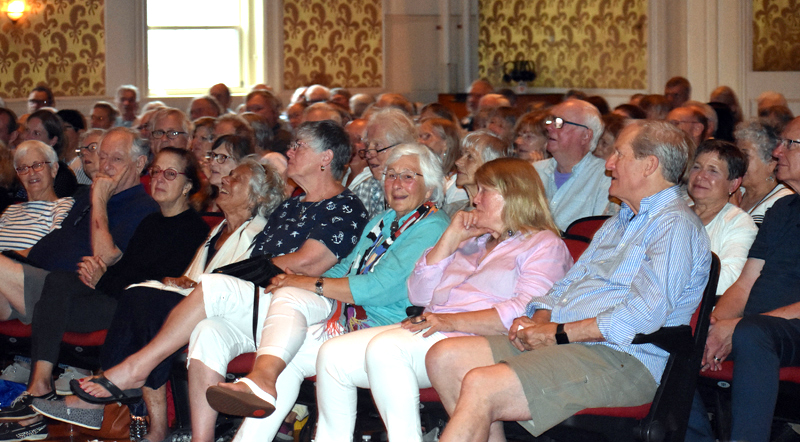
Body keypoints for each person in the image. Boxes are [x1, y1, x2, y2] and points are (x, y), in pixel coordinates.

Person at [33, 121, 369, 442]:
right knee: (209, 332)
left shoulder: (345, 206)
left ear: (327, 158)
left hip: (301, 308)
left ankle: (133, 370)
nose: (291, 151)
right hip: (259, 302)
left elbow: (309, 262)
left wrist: (241, 272)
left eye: (300, 145)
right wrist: (246, 272)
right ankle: (201, 436)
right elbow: (260, 261)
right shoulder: (291, 206)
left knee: (211, 284)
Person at [425, 120, 711, 442]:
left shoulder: (674, 226)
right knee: (445, 357)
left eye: (619, 154)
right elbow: (563, 288)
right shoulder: (619, 222)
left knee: (481, 384)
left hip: (623, 358)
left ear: (649, 165)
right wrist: (538, 319)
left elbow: (642, 317)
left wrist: (557, 333)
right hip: (569, 343)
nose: (609, 163)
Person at [204, 143, 451, 442]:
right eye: (390, 175)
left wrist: (313, 284)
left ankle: (261, 380)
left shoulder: (433, 225)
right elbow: (346, 267)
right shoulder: (383, 221)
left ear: (430, 187)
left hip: (390, 327)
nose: (396, 184)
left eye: (408, 176)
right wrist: (297, 278)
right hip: (350, 318)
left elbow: (380, 287)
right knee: (289, 331)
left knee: (298, 313)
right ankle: (262, 385)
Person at [314, 158, 573, 441]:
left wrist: (450, 320)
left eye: (484, 191)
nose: (474, 199)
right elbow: (418, 293)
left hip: (479, 337)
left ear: (513, 195)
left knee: (386, 349)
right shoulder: (472, 242)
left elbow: (525, 310)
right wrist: (450, 238)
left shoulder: (543, 244)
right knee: (332, 354)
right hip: (437, 327)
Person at [0, 148, 210, 440]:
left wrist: (102, 278)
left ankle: (89, 398)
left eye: (170, 174)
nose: (159, 179)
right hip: (118, 296)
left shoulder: (193, 229)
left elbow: (153, 283)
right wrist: (101, 274)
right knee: (59, 282)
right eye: (157, 172)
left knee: (102, 296)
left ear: (188, 185)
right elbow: (127, 270)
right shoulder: (151, 221)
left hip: (140, 307)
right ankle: (41, 385)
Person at [686, 116, 800, 442]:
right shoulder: (783, 209)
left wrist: (738, 326)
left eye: (790, 144)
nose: (778, 151)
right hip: (758, 325)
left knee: (753, 333)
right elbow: (745, 283)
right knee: (679, 336)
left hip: (782, 327)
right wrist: (714, 323)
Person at [0, 127, 158, 323]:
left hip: (66, 293)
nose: (106, 166)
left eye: (116, 159)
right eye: (103, 157)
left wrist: (99, 199)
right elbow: (57, 240)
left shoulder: (143, 208)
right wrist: (11, 257)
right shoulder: (83, 196)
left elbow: (104, 257)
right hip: (36, 277)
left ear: (139, 163)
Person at [688, 140, 757, 295]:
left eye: (713, 171)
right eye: (697, 167)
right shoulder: (674, 213)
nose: (700, 176)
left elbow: (728, 279)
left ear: (733, 184)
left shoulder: (739, 223)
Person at [534, 99, 615, 231]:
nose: (549, 127)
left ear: (585, 136)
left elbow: (598, 234)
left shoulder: (605, 177)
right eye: (550, 121)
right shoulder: (533, 171)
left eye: (559, 122)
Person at [0, 141, 74, 251]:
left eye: (38, 165)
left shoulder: (63, 207)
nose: (31, 173)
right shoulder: (10, 211)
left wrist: (7, 260)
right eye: (23, 168)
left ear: (54, 169)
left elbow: (52, 250)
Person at [733, 120, 794, 224]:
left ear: (771, 163)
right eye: (737, 154)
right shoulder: (736, 192)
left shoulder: (783, 202)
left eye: (745, 155)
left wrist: (732, 211)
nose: (738, 161)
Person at [445, 130, 507, 214]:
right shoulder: (453, 209)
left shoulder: (494, 218)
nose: (458, 162)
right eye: (461, 154)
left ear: (489, 166)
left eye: (470, 157)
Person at [20, 110, 78, 199]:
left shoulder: (61, 176)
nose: (27, 137)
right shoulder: (18, 168)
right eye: (27, 130)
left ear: (53, 141)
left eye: (36, 133)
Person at [417, 118, 464, 216]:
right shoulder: (422, 173)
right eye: (419, 136)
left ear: (446, 143)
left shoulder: (457, 184)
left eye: (427, 136)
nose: (420, 141)